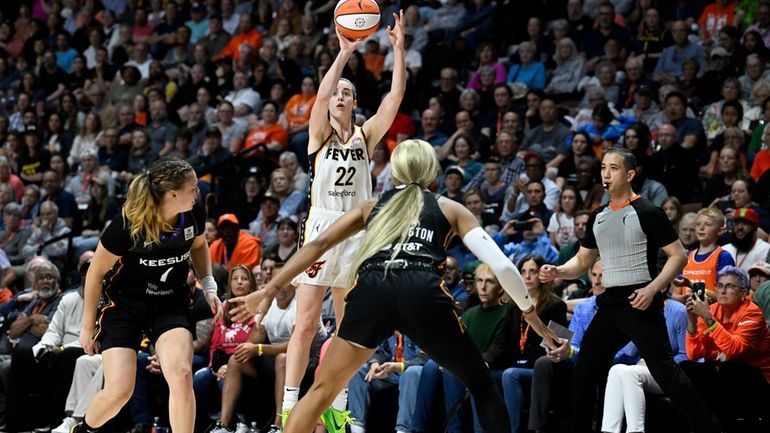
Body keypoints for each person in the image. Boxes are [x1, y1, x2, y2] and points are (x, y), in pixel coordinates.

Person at [228, 139, 559, 433]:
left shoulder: (372, 206)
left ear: (396, 175)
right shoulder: (448, 207)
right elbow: (501, 264)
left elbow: (316, 245)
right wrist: (531, 315)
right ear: (433, 175)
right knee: (482, 383)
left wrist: (269, 289)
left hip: (374, 288)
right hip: (423, 293)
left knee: (321, 392)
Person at [270, 11, 409, 431]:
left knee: (347, 327)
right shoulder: (319, 135)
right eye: (337, 93)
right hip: (322, 229)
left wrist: (398, 51)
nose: (341, 96)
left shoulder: (365, 136)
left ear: (354, 102)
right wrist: (345, 52)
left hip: (358, 233)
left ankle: (337, 403)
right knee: (307, 322)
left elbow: (395, 98)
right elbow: (323, 91)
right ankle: (291, 406)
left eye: (348, 93)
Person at [539, 147, 716, 433]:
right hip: (609, 303)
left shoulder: (648, 211)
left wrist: (652, 289)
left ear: (630, 174)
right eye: (603, 167)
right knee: (583, 372)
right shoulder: (597, 216)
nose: (605, 174)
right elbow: (583, 260)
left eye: (614, 168)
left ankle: (708, 427)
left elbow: (678, 256)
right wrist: (558, 271)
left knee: (665, 373)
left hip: (641, 300)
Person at [73, 157, 221, 433]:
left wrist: (209, 284)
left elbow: (199, 245)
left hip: (170, 302)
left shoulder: (194, 213)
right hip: (124, 307)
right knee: (119, 391)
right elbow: (94, 274)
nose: (198, 191)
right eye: (193, 188)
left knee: (180, 373)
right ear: (172, 194)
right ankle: (82, 430)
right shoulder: (127, 226)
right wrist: (86, 327)